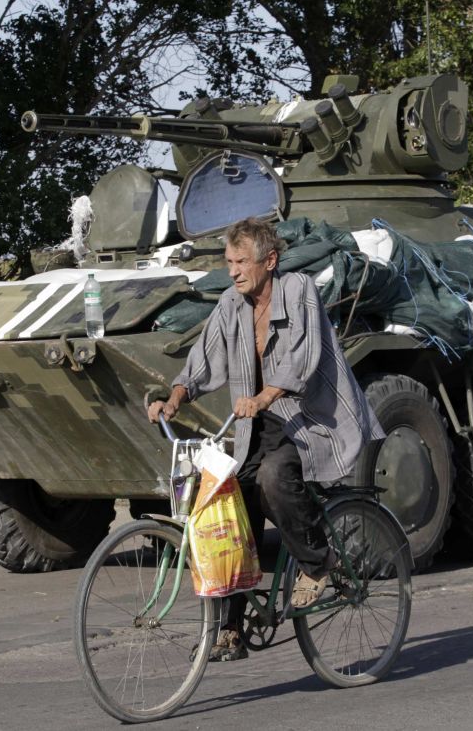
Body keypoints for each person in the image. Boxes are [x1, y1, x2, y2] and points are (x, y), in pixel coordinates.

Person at [148, 216, 384, 661]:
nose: (233, 271)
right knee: (229, 508)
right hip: (257, 425)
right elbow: (204, 358)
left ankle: (319, 563)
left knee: (274, 477)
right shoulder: (230, 304)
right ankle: (230, 627)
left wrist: (264, 396)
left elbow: (305, 356)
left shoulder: (299, 290)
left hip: (310, 420)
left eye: (241, 262)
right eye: (229, 262)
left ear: (269, 261)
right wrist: (175, 396)